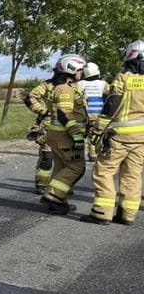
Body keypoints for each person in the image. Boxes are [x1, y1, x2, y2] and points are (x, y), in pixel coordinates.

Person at [83, 41, 144, 225]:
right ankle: (127, 215)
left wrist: (98, 129)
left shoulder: (123, 78)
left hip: (119, 137)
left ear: (129, 56)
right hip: (141, 139)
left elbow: (112, 104)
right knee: (132, 175)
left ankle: (102, 212)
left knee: (103, 172)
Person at [39, 54, 88, 214]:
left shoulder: (67, 87)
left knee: (61, 168)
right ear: (71, 69)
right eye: (80, 70)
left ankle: (59, 201)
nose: (81, 73)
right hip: (65, 137)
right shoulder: (64, 89)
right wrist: (76, 135)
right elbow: (64, 113)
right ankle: (53, 196)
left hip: (57, 135)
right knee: (76, 167)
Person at [24, 75, 58, 193]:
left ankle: (61, 189)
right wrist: (43, 110)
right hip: (49, 126)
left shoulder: (76, 86)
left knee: (66, 161)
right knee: (47, 158)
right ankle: (41, 184)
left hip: (69, 127)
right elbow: (29, 98)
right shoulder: (48, 85)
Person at [78, 62, 110, 161]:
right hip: (99, 114)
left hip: (85, 114)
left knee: (85, 133)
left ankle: (83, 153)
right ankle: (93, 154)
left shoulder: (80, 84)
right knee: (95, 134)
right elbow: (110, 96)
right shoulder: (103, 84)